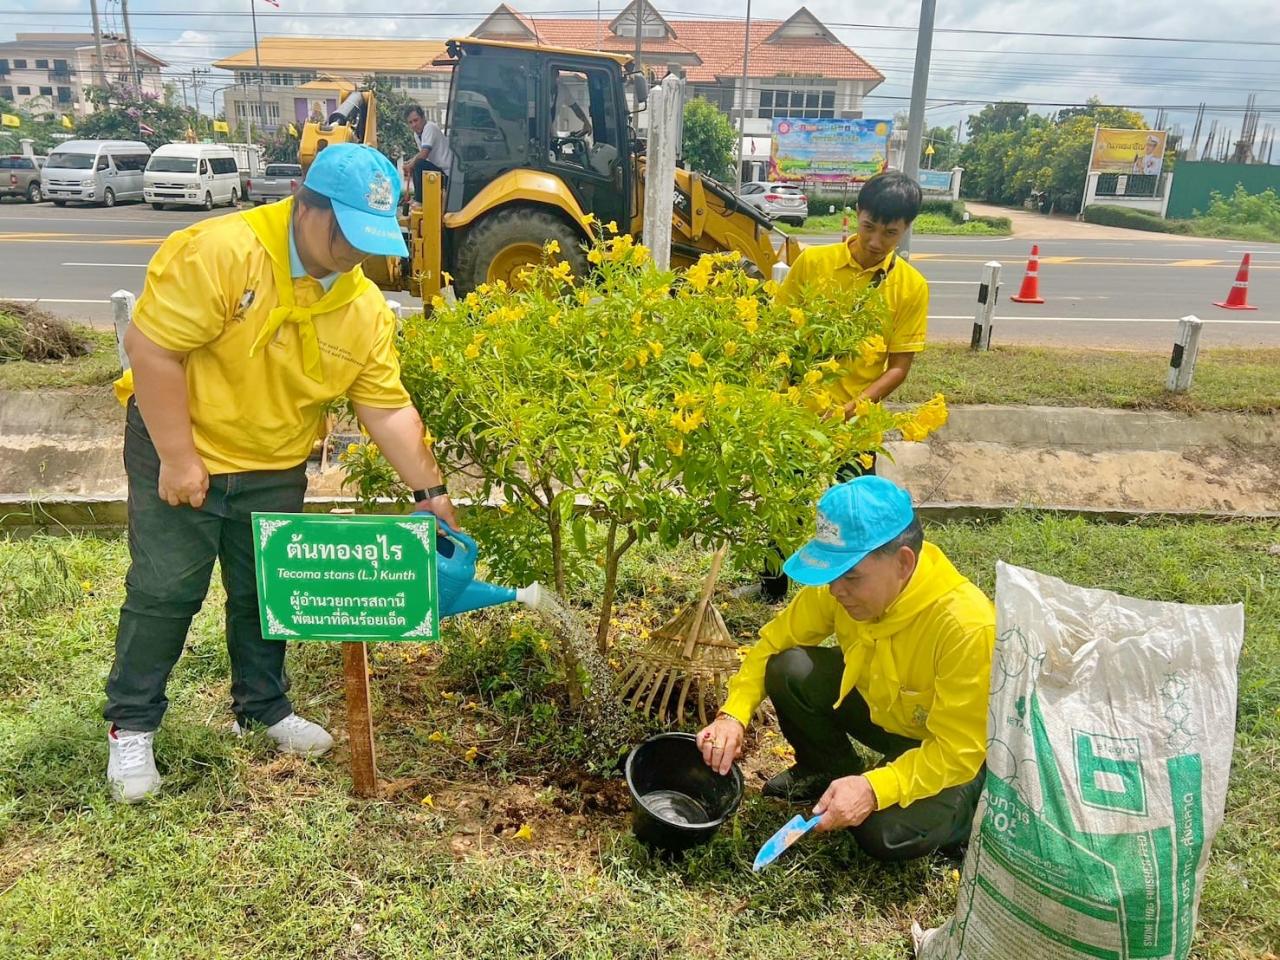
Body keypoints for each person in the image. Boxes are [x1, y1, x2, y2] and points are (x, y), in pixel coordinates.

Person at [105, 143, 459, 804]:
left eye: (371, 240)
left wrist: (431, 492)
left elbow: (386, 406)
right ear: (305, 202)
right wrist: (180, 457)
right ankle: (132, 726)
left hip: (273, 458)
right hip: (183, 439)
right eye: (345, 232)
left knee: (266, 592)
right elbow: (152, 349)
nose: (356, 253)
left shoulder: (361, 309)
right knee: (167, 588)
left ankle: (261, 709)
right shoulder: (222, 252)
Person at [700, 476, 994, 862]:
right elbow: (773, 641)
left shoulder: (965, 627)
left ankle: (963, 821)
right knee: (789, 666)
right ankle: (826, 771)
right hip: (885, 714)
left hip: (948, 754)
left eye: (851, 578)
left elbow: (958, 752)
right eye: (831, 576)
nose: (836, 591)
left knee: (882, 833)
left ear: (904, 562)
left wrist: (874, 789)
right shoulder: (840, 590)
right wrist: (733, 714)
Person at [759, 170, 928, 602]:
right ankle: (771, 586)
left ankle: (852, 590)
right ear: (857, 215)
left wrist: (851, 408)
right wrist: (781, 394)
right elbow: (779, 334)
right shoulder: (814, 264)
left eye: (889, 233)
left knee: (857, 514)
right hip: (796, 415)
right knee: (782, 498)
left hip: (857, 425)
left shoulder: (911, 287)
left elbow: (899, 366)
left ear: (906, 229)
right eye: (869, 227)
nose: (875, 241)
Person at [404, 104, 455, 205]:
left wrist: (412, 163)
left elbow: (423, 155)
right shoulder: (417, 134)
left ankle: (419, 200)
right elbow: (421, 153)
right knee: (416, 164)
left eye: (416, 120)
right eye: (410, 122)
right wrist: (410, 162)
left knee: (418, 164)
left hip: (447, 175)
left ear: (423, 118)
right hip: (438, 171)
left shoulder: (429, 128)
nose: (414, 125)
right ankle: (418, 197)